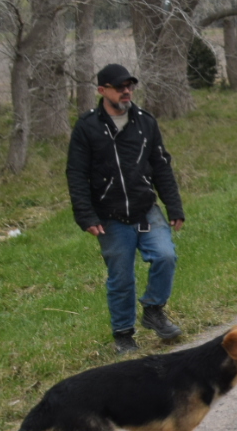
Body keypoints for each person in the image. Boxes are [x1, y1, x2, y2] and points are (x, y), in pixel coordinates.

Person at [66, 63, 186, 354]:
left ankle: (154, 310)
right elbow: (76, 174)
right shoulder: (87, 127)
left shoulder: (145, 122)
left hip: (145, 209)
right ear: (102, 91)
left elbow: (161, 166)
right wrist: (86, 216)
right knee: (121, 277)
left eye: (130, 86)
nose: (126, 91)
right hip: (110, 216)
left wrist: (174, 206)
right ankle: (123, 335)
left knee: (165, 256)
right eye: (119, 87)